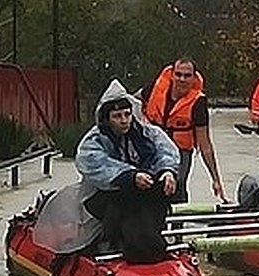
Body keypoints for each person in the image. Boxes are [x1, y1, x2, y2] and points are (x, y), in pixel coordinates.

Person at [76, 80, 181, 263]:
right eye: (117, 116)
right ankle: (117, 245)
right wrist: (130, 176)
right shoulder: (94, 140)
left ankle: (150, 244)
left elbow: (165, 150)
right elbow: (94, 164)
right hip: (103, 196)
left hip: (139, 191)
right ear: (106, 117)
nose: (124, 120)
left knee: (164, 191)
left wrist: (167, 171)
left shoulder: (146, 133)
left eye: (127, 114)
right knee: (127, 202)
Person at [142, 57, 224, 202]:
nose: (182, 79)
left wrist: (215, 179)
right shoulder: (155, 89)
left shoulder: (198, 103)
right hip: (152, 146)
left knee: (176, 186)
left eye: (187, 76)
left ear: (194, 78)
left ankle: (177, 223)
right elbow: (131, 102)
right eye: (178, 74)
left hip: (181, 151)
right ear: (172, 75)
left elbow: (205, 145)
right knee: (148, 185)